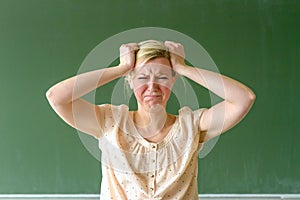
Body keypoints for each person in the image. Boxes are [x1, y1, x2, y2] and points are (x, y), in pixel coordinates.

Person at [46, 40, 255, 199]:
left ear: (173, 80)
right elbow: (57, 97)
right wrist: (122, 68)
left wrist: (182, 67)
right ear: (130, 81)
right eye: (143, 78)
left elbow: (244, 99)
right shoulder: (109, 121)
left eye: (162, 77)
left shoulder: (192, 126)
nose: (152, 87)